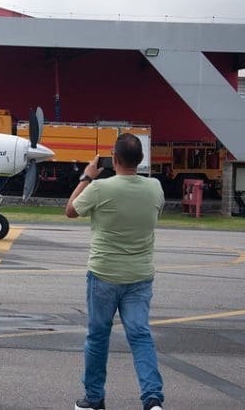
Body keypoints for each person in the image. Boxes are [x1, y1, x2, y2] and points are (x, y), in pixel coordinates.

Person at [65, 133, 165, 410]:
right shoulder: (155, 187)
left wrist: (87, 177)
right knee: (141, 335)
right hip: (140, 276)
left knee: (98, 337)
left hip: (104, 274)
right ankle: (152, 397)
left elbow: (70, 210)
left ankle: (94, 399)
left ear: (115, 158)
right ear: (141, 160)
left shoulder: (101, 188)